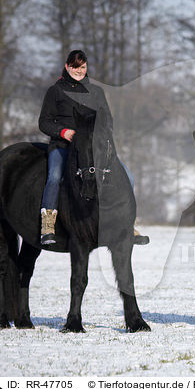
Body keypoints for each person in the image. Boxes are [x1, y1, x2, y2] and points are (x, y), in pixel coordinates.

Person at [38, 49, 149, 245]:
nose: (79, 71)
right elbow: (44, 122)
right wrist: (64, 132)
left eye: (82, 67)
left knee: (128, 176)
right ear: (67, 66)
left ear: (86, 67)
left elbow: (108, 121)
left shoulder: (96, 92)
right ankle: (48, 223)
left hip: (93, 148)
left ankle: (127, 224)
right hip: (63, 145)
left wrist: (100, 135)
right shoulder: (55, 91)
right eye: (74, 67)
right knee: (55, 176)